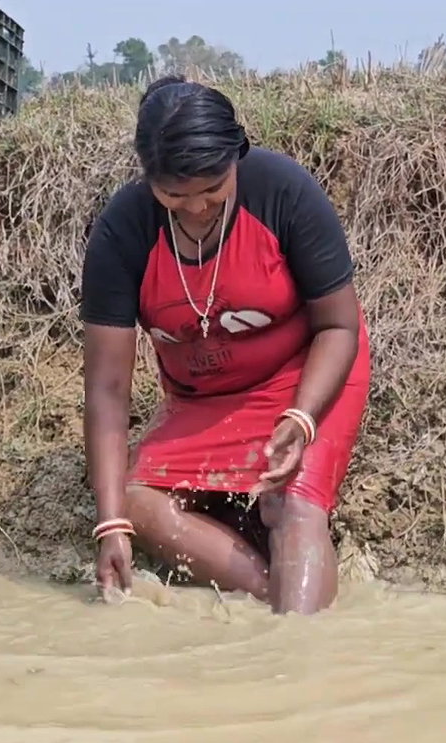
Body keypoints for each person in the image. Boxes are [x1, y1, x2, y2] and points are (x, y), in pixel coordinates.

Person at [80, 76, 371, 615]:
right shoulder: (122, 232)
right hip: (204, 400)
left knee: (292, 503)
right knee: (135, 503)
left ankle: (299, 648)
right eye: (174, 195)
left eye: (212, 191)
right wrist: (111, 524)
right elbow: (107, 386)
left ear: (237, 157)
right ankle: (276, 604)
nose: (196, 208)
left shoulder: (283, 191)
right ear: (148, 179)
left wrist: (303, 416)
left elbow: (339, 326)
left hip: (303, 377)